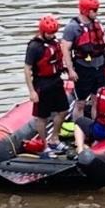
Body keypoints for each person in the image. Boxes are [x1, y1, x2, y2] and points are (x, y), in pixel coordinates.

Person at [61, 0, 105, 120]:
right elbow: (65, 49)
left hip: (99, 67)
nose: (97, 13)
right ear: (85, 11)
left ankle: (94, 126)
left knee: (97, 100)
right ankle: (79, 128)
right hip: (83, 69)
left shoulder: (97, 24)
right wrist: (71, 70)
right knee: (81, 103)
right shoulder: (72, 28)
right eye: (94, 10)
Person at [24, 15, 69, 154]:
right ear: (42, 31)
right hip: (42, 84)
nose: (52, 35)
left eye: (54, 32)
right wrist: (32, 91)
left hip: (56, 81)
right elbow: (27, 69)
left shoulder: (54, 42)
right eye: (49, 33)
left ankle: (54, 139)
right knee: (42, 116)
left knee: (63, 110)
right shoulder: (34, 47)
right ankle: (44, 145)